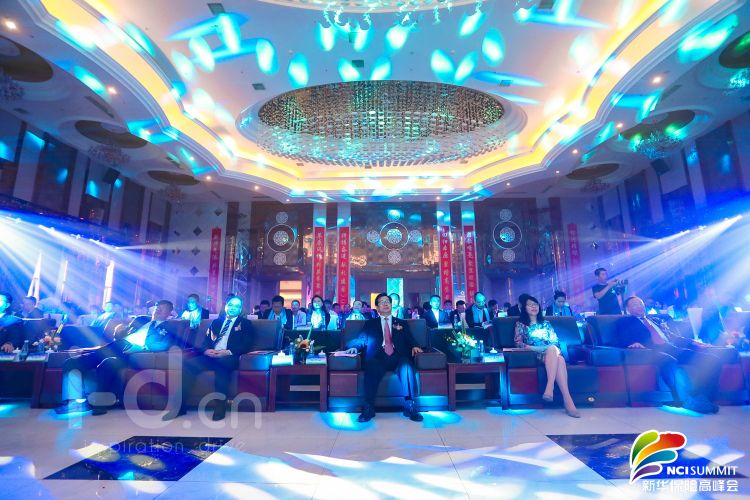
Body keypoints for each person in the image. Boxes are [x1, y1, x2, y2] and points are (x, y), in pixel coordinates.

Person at [55, 300, 175, 415]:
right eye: (157, 308)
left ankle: (100, 404)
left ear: (168, 313)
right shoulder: (141, 320)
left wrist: (143, 347)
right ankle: (75, 402)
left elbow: (164, 345)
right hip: (117, 346)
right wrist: (121, 331)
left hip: (133, 353)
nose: (158, 311)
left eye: (162, 310)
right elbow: (120, 335)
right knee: (72, 362)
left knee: (107, 363)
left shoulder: (169, 328)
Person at [615, 296, 722, 414]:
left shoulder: (655, 320)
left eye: (641, 303)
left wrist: (693, 342)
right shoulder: (624, 322)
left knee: (711, 359)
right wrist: (632, 343)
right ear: (628, 309)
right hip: (651, 350)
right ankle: (686, 400)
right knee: (670, 361)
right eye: (635, 304)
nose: (639, 306)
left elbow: (673, 336)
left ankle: (707, 398)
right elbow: (621, 337)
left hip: (672, 347)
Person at [163, 296, 255, 421]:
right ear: (226, 306)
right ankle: (180, 407)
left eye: (237, 306)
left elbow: (246, 344)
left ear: (240, 309)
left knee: (222, 365)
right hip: (211, 355)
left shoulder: (245, 323)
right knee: (189, 364)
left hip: (229, 356)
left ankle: (220, 406)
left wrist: (227, 352)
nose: (233, 308)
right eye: (230, 305)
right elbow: (205, 341)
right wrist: (206, 350)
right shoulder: (216, 322)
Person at [344, 293, 423, 423]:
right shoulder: (370, 324)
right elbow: (361, 339)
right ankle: (369, 407)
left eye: (387, 301)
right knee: (371, 366)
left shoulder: (401, 323)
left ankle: (409, 405)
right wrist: (354, 347)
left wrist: (415, 346)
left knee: (407, 366)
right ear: (377, 307)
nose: (385, 304)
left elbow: (410, 338)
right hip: (378, 356)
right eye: (382, 302)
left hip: (398, 355)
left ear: (391, 305)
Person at [514, 296, 580, 418]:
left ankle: (553, 391)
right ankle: (566, 400)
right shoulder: (521, 324)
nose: (534, 307)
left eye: (536, 304)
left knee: (557, 355)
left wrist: (549, 348)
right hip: (535, 354)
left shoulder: (546, 323)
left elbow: (555, 341)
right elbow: (518, 343)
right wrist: (536, 348)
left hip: (551, 352)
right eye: (530, 305)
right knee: (558, 357)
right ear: (524, 308)